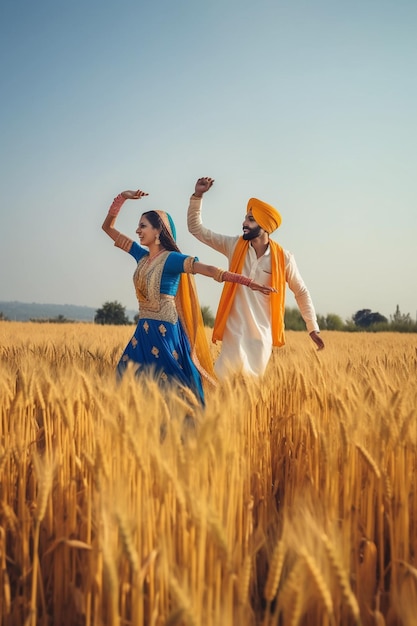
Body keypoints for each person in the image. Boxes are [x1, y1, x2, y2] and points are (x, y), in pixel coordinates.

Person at [101, 189, 275, 405]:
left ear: (158, 231)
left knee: (173, 390)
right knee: (125, 383)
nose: (137, 230)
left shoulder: (173, 259)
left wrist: (247, 282)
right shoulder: (140, 256)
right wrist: (122, 198)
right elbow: (107, 228)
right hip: (143, 332)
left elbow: (210, 270)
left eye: (142, 226)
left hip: (166, 335)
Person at [187, 177, 325, 378]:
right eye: (245, 218)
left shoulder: (284, 258)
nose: (244, 223)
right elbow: (196, 230)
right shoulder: (233, 246)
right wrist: (198, 196)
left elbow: (301, 291)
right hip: (233, 332)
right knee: (221, 388)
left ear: (265, 226)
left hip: (261, 337)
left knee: (248, 394)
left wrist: (313, 328)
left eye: (251, 219)